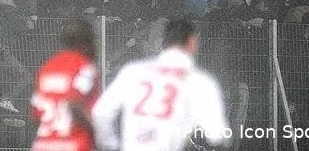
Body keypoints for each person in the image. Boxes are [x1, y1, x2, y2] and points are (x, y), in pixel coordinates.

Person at [92, 18, 229, 151]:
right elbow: (216, 134)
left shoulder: (133, 71)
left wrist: (111, 144)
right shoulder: (199, 81)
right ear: (192, 42)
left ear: (164, 41)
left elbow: (101, 112)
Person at [30, 18, 99, 151]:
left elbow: (35, 113)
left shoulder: (46, 69)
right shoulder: (84, 68)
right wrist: (96, 134)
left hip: (44, 144)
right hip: (73, 144)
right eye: (92, 41)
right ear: (84, 42)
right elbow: (74, 104)